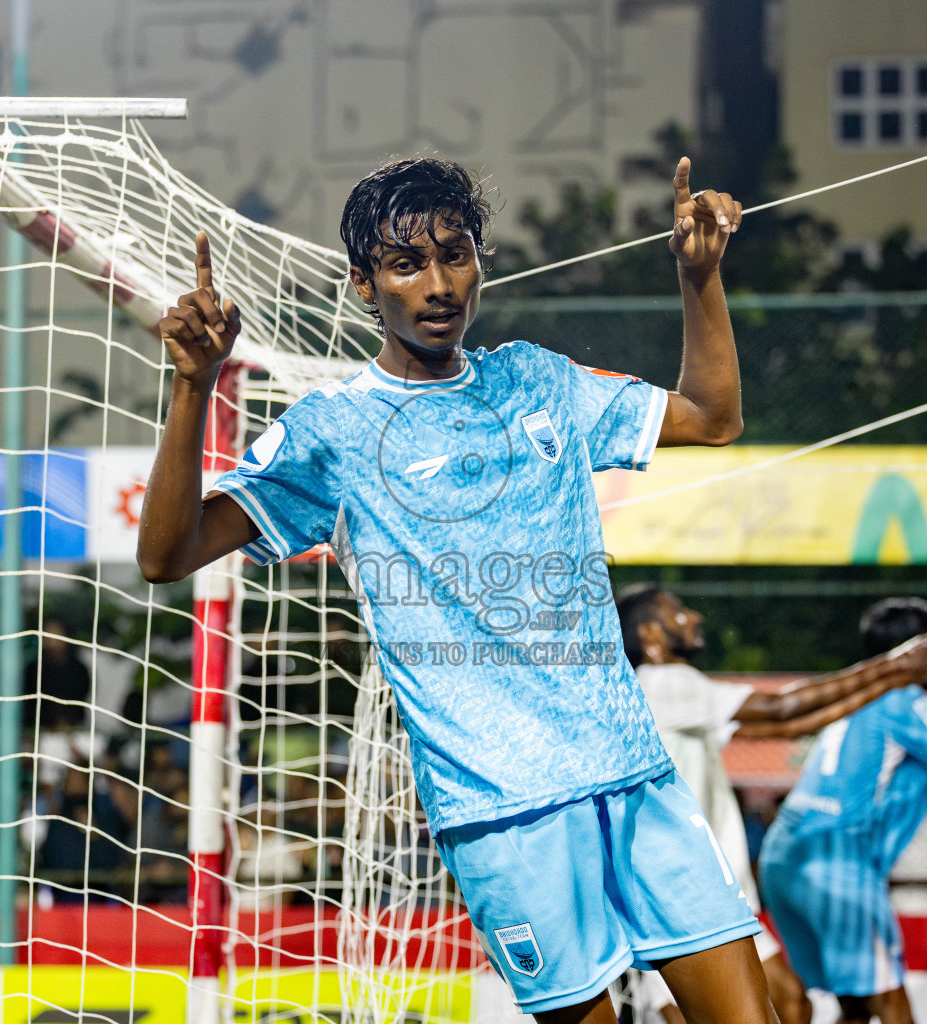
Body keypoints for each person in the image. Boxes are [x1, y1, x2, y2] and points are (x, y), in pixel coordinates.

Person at [140, 156, 779, 1023]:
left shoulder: (536, 380)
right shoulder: (332, 433)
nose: (439, 284)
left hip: (632, 773)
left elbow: (713, 417)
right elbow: (167, 552)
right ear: (364, 284)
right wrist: (191, 385)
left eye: (457, 254)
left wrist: (697, 275)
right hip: (503, 812)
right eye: (407, 263)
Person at [615, 584, 927, 1024]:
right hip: (680, 896)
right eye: (677, 612)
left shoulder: (673, 696)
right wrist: (894, 666)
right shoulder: (664, 682)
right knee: (756, 1008)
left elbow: (795, 721)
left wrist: (892, 676)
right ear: (651, 638)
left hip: (713, 896)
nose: (694, 617)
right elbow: (782, 708)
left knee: (791, 1001)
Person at [757, 599, 927, 1024]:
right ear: (915, 651)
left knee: (854, 1002)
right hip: (837, 856)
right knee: (885, 994)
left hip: (784, 855)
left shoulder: (859, 692)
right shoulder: (904, 697)